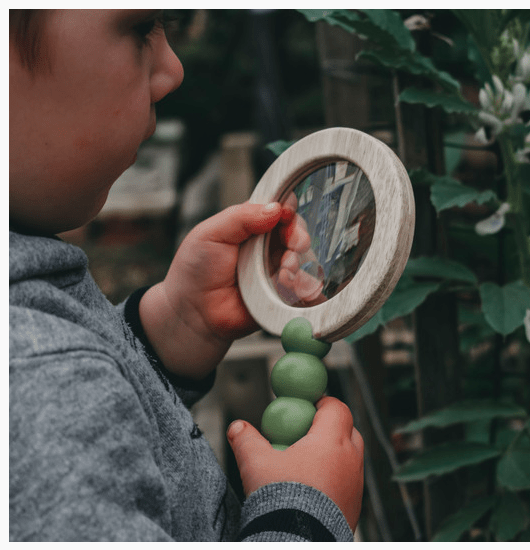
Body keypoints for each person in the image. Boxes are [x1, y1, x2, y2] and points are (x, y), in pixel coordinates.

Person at [9, 9, 364, 542]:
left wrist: (170, 329)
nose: (172, 70)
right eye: (138, 29)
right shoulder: (40, 391)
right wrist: (300, 518)